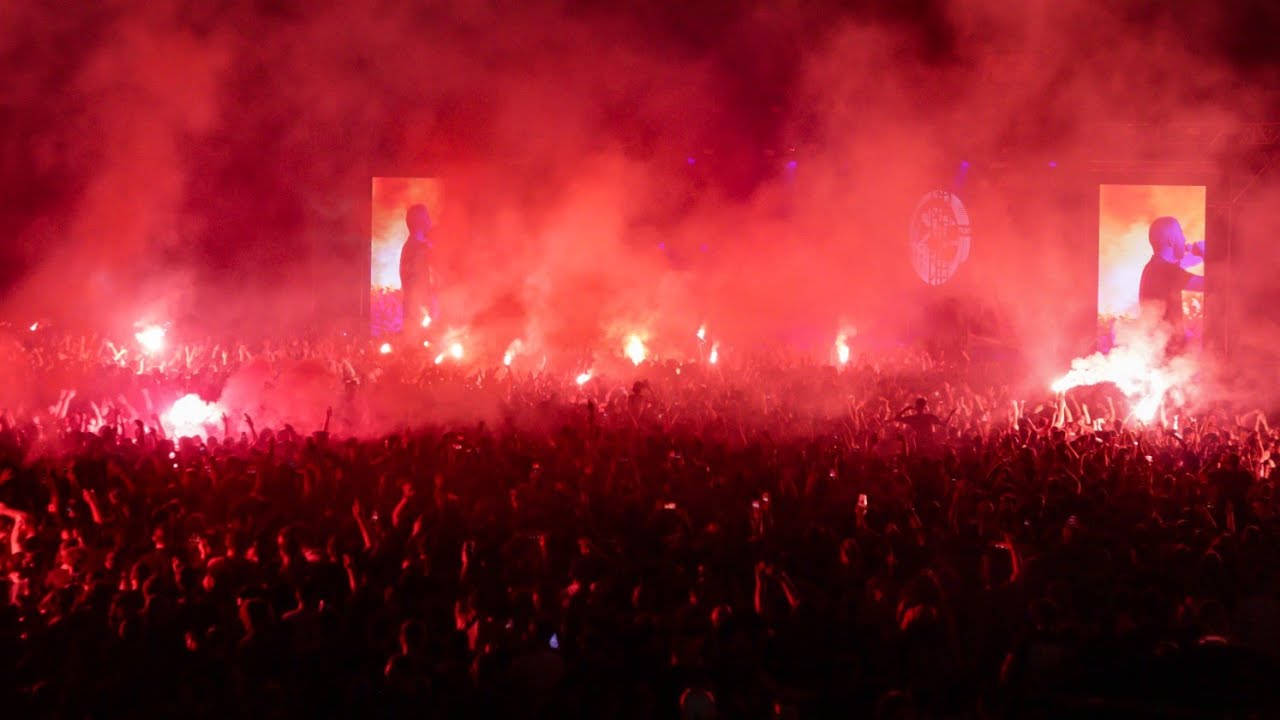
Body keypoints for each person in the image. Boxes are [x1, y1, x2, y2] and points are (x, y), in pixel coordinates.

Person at [1138, 217, 1204, 346]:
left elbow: (1183, 263)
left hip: (1156, 347)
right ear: (1171, 240)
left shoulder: (1153, 266)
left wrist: (1194, 250)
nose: (1184, 239)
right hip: (1169, 350)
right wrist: (1205, 253)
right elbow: (1210, 284)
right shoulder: (1167, 271)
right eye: (1181, 234)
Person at [399, 204, 438, 331]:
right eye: (426, 216)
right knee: (419, 348)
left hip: (423, 309)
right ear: (420, 221)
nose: (430, 220)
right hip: (420, 312)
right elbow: (413, 283)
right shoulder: (415, 249)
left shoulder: (420, 246)